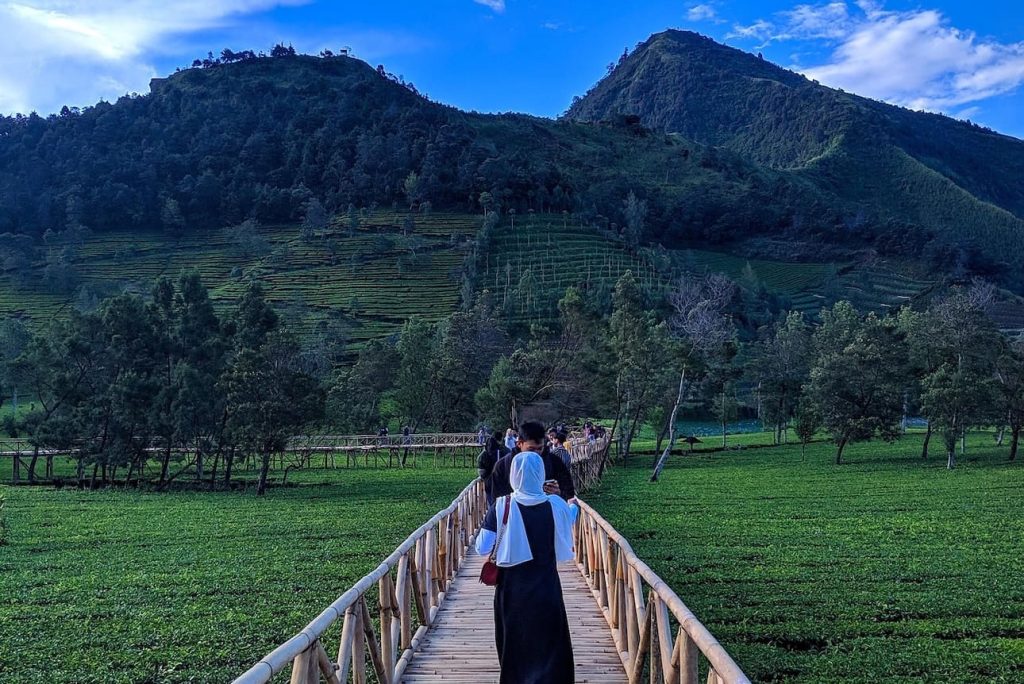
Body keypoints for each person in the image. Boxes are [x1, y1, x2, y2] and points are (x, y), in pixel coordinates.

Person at [476, 452, 578, 684]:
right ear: (541, 474)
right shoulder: (555, 505)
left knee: (514, 638)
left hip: (513, 588)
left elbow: (482, 547)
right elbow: (570, 516)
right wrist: (572, 503)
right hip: (547, 585)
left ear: (513, 475)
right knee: (550, 638)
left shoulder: (502, 505)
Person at [491, 421, 576, 502]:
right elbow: (497, 502)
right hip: (514, 515)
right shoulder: (503, 466)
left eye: (540, 448)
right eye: (531, 449)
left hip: (547, 515)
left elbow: (569, 493)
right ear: (519, 443)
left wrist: (559, 494)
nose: (536, 454)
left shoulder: (554, 462)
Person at [478, 429, 508, 505]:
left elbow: (481, 471)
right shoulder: (506, 451)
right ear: (501, 439)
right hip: (504, 483)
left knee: (492, 504)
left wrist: (485, 478)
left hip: (490, 483)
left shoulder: (484, 454)